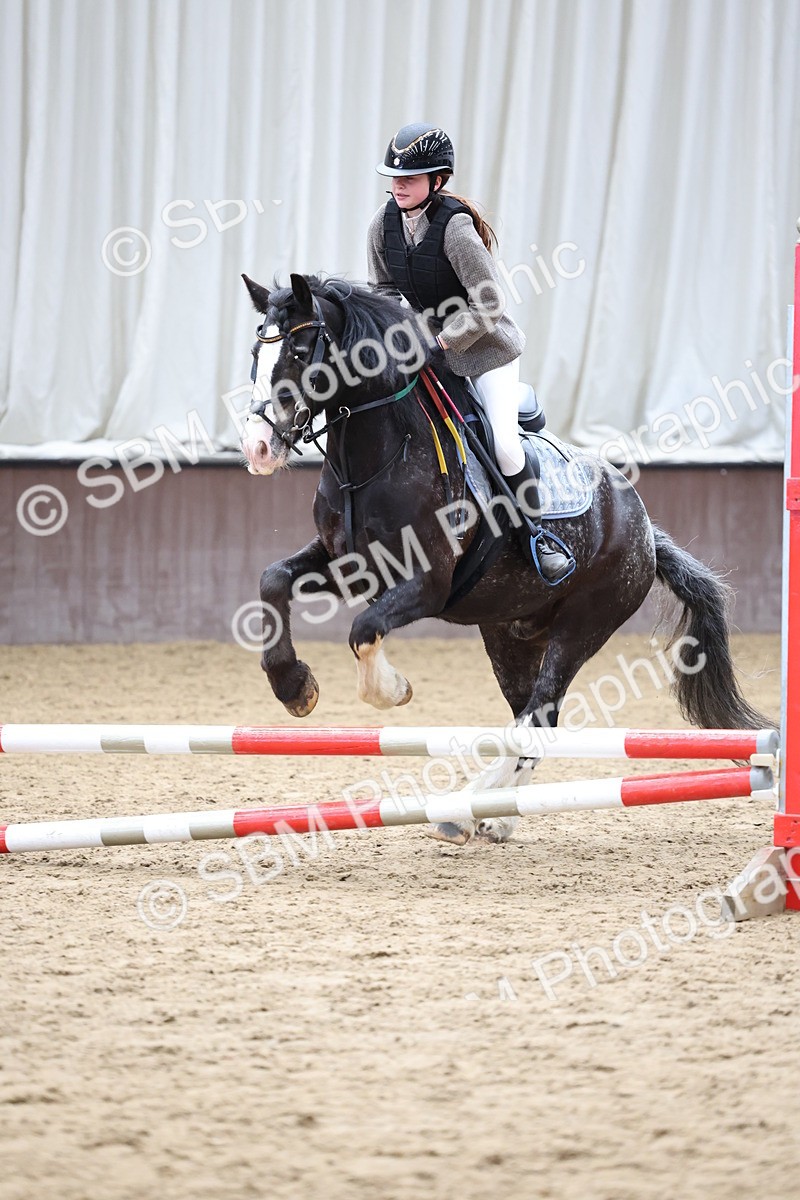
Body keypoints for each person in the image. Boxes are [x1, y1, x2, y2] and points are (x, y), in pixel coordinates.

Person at [366, 122, 573, 585]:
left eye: (410, 178)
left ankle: (536, 539)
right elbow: (382, 292)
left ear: (437, 181)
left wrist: (440, 341)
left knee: (502, 445)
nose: (398, 185)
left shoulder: (456, 230)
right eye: (394, 178)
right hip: (426, 352)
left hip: (484, 353)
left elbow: (490, 302)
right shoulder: (382, 226)